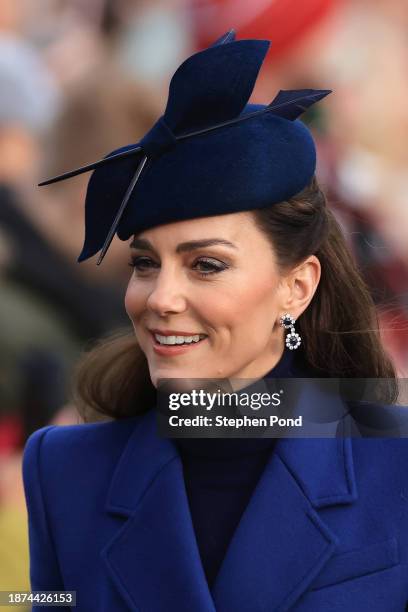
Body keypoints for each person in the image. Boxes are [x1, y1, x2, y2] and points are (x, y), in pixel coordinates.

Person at [22, 31, 408, 611]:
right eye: (146, 263)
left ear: (296, 287)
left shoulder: (395, 467)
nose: (161, 298)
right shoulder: (63, 473)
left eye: (206, 265)